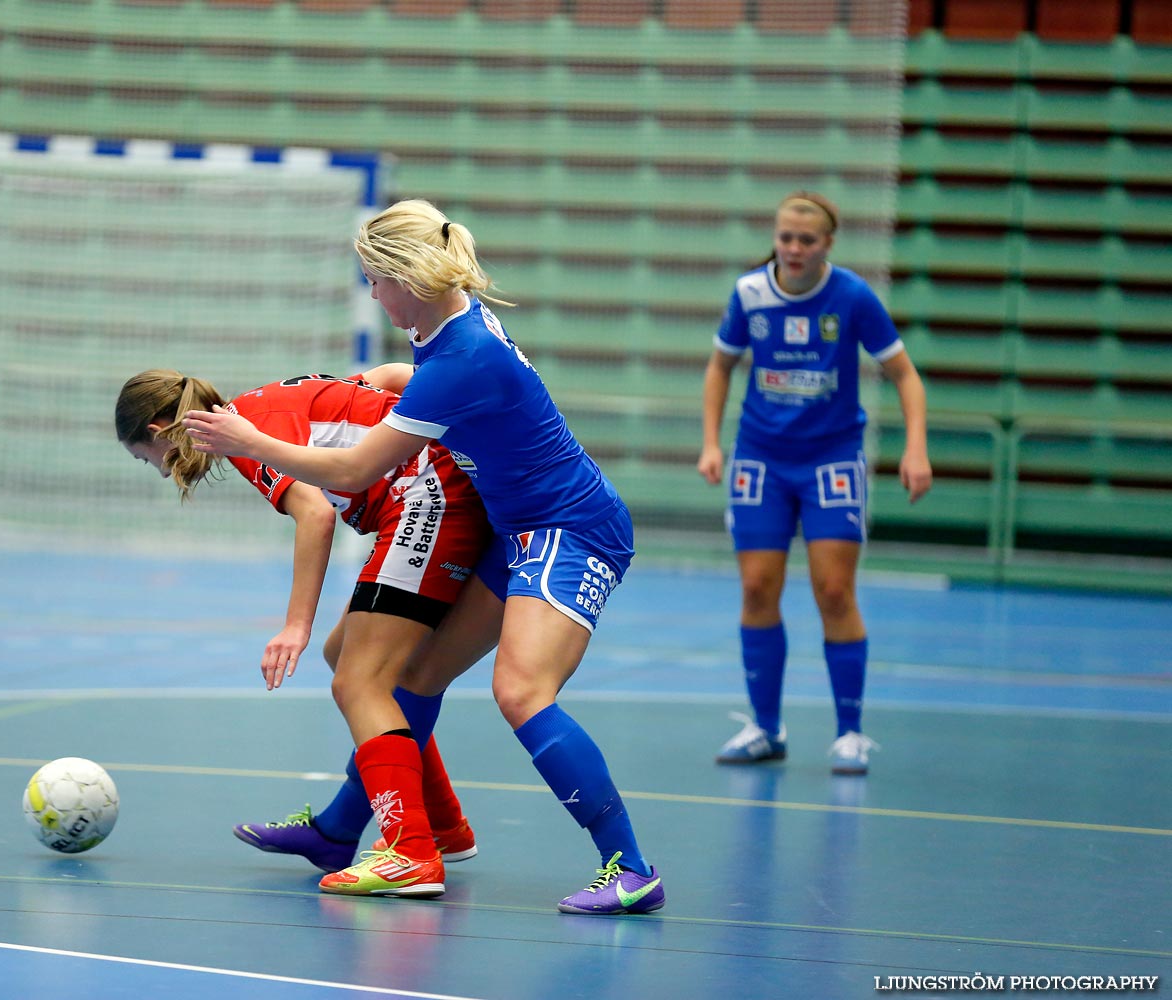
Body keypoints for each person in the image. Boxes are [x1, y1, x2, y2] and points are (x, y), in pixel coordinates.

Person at [184, 199, 664, 916]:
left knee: (522, 692)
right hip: (521, 529)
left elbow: (348, 475)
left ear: (404, 278)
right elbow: (442, 388)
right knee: (414, 673)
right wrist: (380, 378)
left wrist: (246, 440)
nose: (372, 296)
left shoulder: (461, 353)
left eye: (374, 281)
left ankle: (630, 866)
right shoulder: (446, 330)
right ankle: (346, 828)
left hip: (571, 528)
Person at [117, 365, 495, 898]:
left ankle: (410, 848)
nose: (158, 472)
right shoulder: (264, 404)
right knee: (347, 656)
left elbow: (314, 514)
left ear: (158, 433)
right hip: (435, 488)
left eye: (145, 459)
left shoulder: (238, 430)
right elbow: (385, 379)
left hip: (430, 497)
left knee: (360, 683)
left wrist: (294, 626)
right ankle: (442, 827)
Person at [696, 190, 932, 776]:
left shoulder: (850, 296)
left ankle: (850, 732)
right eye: (786, 238)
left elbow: (904, 374)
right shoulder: (750, 294)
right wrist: (711, 443)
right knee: (756, 589)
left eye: (808, 240)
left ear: (828, 244)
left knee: (833, 591)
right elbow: (720, 367)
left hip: (831, 460)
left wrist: (916, 447)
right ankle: (765, 728)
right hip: (762, 461)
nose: (795, 249)